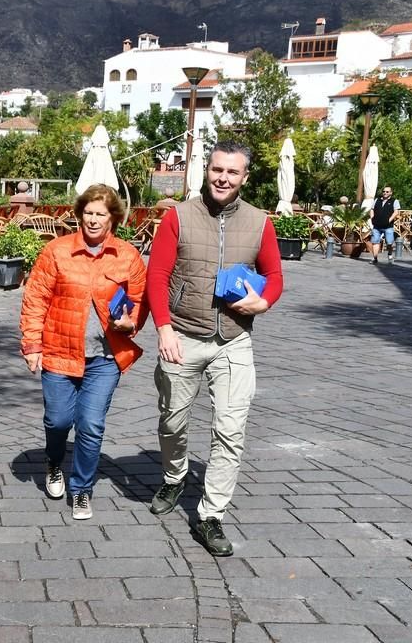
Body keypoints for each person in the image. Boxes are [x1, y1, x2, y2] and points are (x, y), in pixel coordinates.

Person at [145, 141, 283, 557]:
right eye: (216, 169)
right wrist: (164, 330)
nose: (223, 178)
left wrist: (265, 300)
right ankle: (174, 477)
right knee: (172, 422)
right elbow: (157, 274)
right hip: (183, 335)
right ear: (207, 170)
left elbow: (274, 275)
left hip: (234, 341)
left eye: (232, 172)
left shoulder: (260, 222)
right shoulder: (179, 216)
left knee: (230, 430)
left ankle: (211, 515)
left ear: (244, 177)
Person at [19, 184, 148, 520]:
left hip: (105, 358)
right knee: (58, 420)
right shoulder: (57, 251)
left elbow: (139, 303)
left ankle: (81, 489)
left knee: (91, 425)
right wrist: (32, 345)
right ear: (79, 215)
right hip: (60, 352)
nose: (92, 220)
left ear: (113, 219)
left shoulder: (127, 256)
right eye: (88, 213)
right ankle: (53, 461)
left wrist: (129, 323)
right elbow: (35, 300)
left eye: (100, 214)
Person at [369, 186, 400, 265]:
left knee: (389, 242)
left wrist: (389, 220)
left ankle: (390, 254)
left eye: (387, 192)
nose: (385, 193)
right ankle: (375, 258)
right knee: (375, 242)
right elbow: (372, 209)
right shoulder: (377, 200)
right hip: (377, 225)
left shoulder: (394, 201)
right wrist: (372, 218)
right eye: (384, 191)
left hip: (388, 226)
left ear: (391, 193)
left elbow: (396, 212)